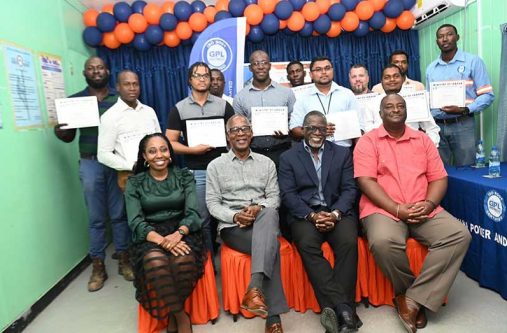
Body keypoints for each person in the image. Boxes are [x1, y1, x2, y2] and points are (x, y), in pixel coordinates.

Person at [354, 93, 471, 333]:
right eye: (389, 107)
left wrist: (428, 204)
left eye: (400, 106)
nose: (395, 110)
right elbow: (366, 181)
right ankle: (411, 295)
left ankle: (411, 301)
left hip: (421, 207)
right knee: (383, 241)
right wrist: (396, 209)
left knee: (459, 235)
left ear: (407, 112)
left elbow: (438, 178)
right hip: (384, 208)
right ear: (380, 114)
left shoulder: (423, 140)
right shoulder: (368, 141)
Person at [53, 56, 133, 292]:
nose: (96, 71)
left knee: (120, 215)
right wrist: (61, 130)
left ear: (108, 71)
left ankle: (124, 259)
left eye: (100, 68)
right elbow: (68, 137)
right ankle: (98, 265)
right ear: (84, 72)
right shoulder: (75, 102)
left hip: (116, 163)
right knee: (97, 218)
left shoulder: (119, 100)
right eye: (91, 68)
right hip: (91, 164)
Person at [279, 111, 361, 333]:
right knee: (307, 244)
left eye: (321, 128)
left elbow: (350, 189)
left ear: (328, 130)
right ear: (303, 131)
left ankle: (335, 312)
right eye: (312, 128)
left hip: (337, 211)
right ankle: (345, 309)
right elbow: (288, 195)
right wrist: (312, 216)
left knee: (348, 242)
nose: (317, 132)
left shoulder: (342, 154)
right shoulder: (288, 157)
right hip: (305, 214)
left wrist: (334, 214)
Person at [206, 114, 288, 333]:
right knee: (271, 246)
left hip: (262, 220)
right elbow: (212, 204)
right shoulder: (215, 166)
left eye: (244, 129)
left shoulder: (267, 163)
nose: (240, 133)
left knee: (269, 213)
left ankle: (255, 290)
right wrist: (235, 216)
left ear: (251, 133)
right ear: (227, 136)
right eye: (235, 130)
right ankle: (273, 318)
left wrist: (258, 207)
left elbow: (274, 198)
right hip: (232, 227)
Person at [124, 133, 206, 333]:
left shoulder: (184, 176)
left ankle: (172, 314)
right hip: (150, 233)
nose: (158, 155)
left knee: (183, 259)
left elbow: (194, 213)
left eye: (163, 149)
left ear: (170, 153)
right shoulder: (134, 182)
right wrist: (162, 241)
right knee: (155, 261)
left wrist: (178, 234)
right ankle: (180, 315)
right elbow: (135, 221)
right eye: (152, 151)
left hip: (182, 229)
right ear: (144, 156)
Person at [166, 62, 234, 257]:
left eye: (206, 75)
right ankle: (208, 261)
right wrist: (191, 150)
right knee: (202, 219)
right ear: (190, 80)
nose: (202, 78)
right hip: (198, 170)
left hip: (224, 169)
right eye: (197, 75)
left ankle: (230, 259)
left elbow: (236, 135)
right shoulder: (179, 108)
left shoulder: (223, 105)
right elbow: (170, 143)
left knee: (229, 214)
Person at [426, 24, 494, 166]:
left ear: (457, 37)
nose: (444, 39)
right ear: (436, 41)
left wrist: (465, 109)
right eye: (440, 36)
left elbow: (487, 95)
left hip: (462, 124)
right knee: (438, 171)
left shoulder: (473, 61)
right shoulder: (431, 68)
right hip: (437, 127)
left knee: (466, 169)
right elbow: (428, 99)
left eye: (449, 34)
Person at [97, 70, 161, 191]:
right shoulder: (110, 117)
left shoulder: (149, 112)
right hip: (130, 176)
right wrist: (131, 166)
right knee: (134, 210)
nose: (132, 88)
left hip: (155, 173)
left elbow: (160, 141)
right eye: (127, 84)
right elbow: (103, 154)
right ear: (118, 87)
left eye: (135, 84)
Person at [234, 50, 296, 166]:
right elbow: (238, 127)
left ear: (269, 66)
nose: (261, 67)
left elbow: (295, 121)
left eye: (264, 62)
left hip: (283, 151)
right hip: (253, 154)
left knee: (284, 184)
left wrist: (287, 130)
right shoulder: (240, 97)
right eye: (256, 63)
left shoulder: (286, 93)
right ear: (250, 68)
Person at [290, 56, 363, 148]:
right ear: (311, 74)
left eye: (327, 68)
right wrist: (315, 130)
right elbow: (295, 128)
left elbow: (360, 127)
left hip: (343, 151)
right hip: (313, 151)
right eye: (318, 69)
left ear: (333, 71)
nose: (324, 72)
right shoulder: (303, 98)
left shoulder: (347, 94)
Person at [364, 64, 440, 146]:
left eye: (396, 76)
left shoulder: (417, 100)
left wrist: (427, 148)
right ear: (381, 81)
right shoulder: (371, 103)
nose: (392, 79)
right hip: (382, 150)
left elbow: (432, 129)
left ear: (402, 79)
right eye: (387, 77)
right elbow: (367, 131)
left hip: (413, 149)